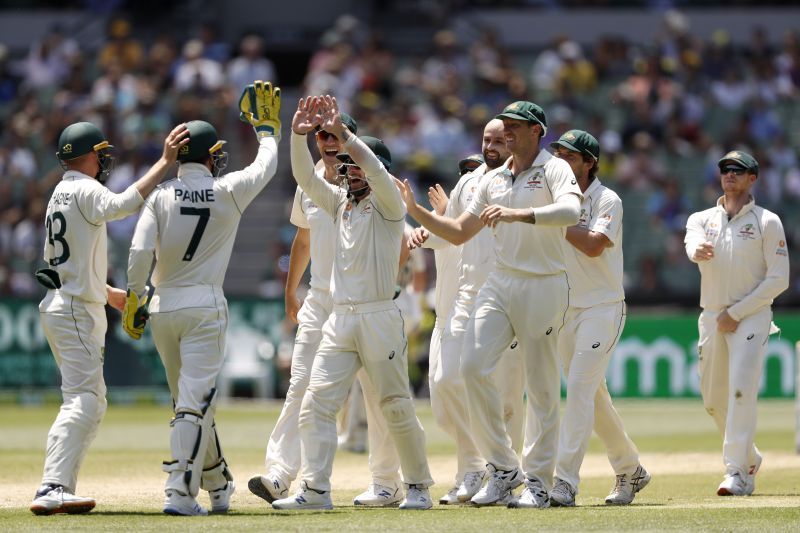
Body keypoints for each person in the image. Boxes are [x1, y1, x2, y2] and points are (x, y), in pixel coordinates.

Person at [398, 101, 582, 508]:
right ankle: (502, 468)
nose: (509, 133)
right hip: (500, 283)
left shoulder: (555, 168)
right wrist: (415, 213)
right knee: (471, 367)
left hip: (543, 283)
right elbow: (460, 231)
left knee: (541, 387)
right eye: (506, 126)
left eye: (516, 127)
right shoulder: (493, 179)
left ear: (538, 131)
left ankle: (538, 482)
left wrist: (520, 214)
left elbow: (572, 210)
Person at [124, 81, 282, 515]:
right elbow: (266, 166)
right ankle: (178, 492)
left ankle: (217, 484)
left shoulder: (158, 195)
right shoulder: (228, 189)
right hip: (204, 306)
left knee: (188, 404)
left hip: (162, 307)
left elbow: (138, 253)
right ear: (210, 156)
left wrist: (137, 296)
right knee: (194, 404)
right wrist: (268, 132)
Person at [271, 95, 433, 510]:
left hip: (380, 316)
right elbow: (306, 178)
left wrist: (345, 136)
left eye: (356, 165)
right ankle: (315, 490)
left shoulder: (390, 204)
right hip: (340, 320)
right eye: (346, 166)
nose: (350, 172)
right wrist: (297, 134)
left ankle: (415, 487)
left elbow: (375, 171)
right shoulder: (339, 202)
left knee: (394, 405)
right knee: (316, 403)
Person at [30, 121, 189, 516]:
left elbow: (73, 260)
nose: (104, 160)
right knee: (83, 399)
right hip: (73, 308)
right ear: (87, 155)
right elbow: (123, 206)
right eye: (100, 153)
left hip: (67, 300)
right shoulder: (84, 188)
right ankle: (53, 486)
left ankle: (59, 485)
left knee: (89, 398)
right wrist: (166, 162)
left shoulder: (60, 191)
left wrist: (109, 294)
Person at [410, 120, 525, 505]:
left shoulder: (522, 179)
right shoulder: (470, 182)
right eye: (486, 139)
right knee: (445, 381)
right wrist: (422, 232)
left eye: (498, 140)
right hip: (467, 298)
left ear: (512, 141)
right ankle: (484, 465)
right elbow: (453, 230)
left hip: (507, 296)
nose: (491, 146)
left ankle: (504, 472)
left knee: (506, 397)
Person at [248, 112, 359, 504]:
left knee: (379, 397)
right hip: (320, 299)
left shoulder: (366, 179)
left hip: (363, 303)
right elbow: (303, 240)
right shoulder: (309, 181)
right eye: (322, 135)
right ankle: (280, 474)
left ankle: (393, 479)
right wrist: (290, 292)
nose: (328, 141)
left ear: (349, 139)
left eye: (335, 135)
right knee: (300, 388)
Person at [547, 130, 650, 507]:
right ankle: (630, 469)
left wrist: (548, 220)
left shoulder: (608, 199)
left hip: (603, 307)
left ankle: (565, 483)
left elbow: (592, 245)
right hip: (563, 309)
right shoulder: (553, 197)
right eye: (557, 155)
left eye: (570, 156)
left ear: (590, 162)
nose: (560, 162)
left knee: (577, 390)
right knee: (592, 396)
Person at [684, 150, 789, 496]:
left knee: (741, 389)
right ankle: (750, 455)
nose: (730, 174)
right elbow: (691, 242)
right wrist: (696, 250)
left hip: (752, 316)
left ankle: (737, 473)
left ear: (752, 178)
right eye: (725, 169)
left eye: (738, 170)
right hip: (712, 314)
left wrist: (738, 312)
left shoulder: (766, 221)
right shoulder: (701, 219)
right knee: (714, 399)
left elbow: (779, 279)